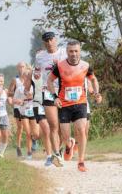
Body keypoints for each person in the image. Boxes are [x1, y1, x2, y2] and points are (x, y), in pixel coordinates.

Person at [47, 40, 102, 172]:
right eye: (71, 51)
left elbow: (93, 79)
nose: (73, 54)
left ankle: (81, 161)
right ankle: (69, 144)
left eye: (76, 51)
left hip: (80, 103)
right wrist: (54, 98)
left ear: (80, 52)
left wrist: (96, 93)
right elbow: (49, 80)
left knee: (81, 130)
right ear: (67, 52)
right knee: (65, 136)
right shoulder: (59, 66)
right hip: (64, 105)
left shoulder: (85, 65)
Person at [34, 31, 67, 160]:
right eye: (46, 41)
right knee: (53, 124)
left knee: (63, 124)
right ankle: (57, 154)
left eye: (51, 40)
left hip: (64, 91)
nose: (49, 43)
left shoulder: (64, 53)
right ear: (44, 43)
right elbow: (36, 71)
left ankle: (63, 146)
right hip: (48, 91)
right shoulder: (40, 57)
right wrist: (37, 75)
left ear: (55, 40)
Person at [23, 67, 62, 166]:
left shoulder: (55, 69)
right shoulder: (32, 73)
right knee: (46, 129)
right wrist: (27, 93)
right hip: (38, 104)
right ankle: (49, 156)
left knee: (55, 128)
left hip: (51, 102)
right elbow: (26, 88)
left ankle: (57, 153)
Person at [16, 68, 40, 160]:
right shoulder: (19, 88)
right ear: (23, 77)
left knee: (36, 134)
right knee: (28, 133)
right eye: (26, 76)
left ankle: (34, 140)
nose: (27, 78)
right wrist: (18, 101)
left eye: (29, 76)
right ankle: (29, 152)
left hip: (34, 111)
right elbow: (14, 100)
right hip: (24, 112)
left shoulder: (35, 87)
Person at [8, 62, 26, 157]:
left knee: (29, 127)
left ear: (26, 68)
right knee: (20, 127)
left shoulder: (29, 79)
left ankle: (31, 147)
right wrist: (12, 100)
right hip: (18, 107)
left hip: (28, 106)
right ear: (17, 68)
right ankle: (18, 147)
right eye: (20, 67)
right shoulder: (15, 80)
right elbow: (10, 92)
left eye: (23, 67)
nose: (21, 68)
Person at [0, 74, 10, 158]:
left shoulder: (5, 91)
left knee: (5, 135)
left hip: (4, 115)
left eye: (2, 81)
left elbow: (9, 102)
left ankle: (1, 152)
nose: (0, 83)